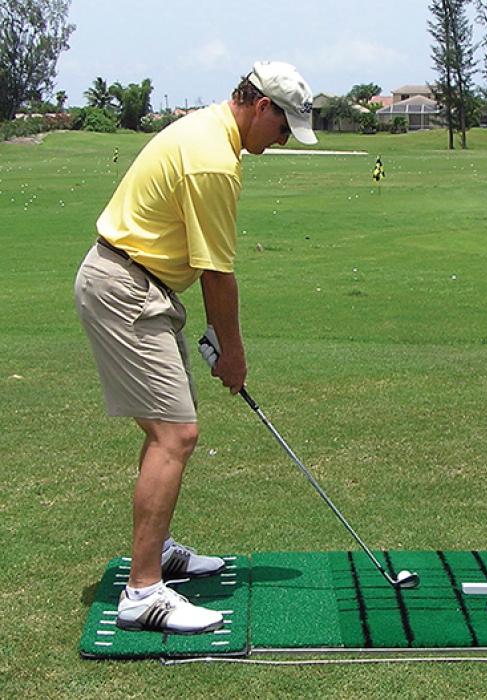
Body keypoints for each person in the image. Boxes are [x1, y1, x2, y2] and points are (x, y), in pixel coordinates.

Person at [74, 61, 316, 634]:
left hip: (141, 286)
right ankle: (143, 592)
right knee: (176, 434)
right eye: (283, 129)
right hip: (126, 289)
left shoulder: (210, 132)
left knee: (169, 430)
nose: (282, 142)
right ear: (261, 107)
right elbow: (218, 276)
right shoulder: (213, 160)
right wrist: (232, 355)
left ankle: (157, 556)